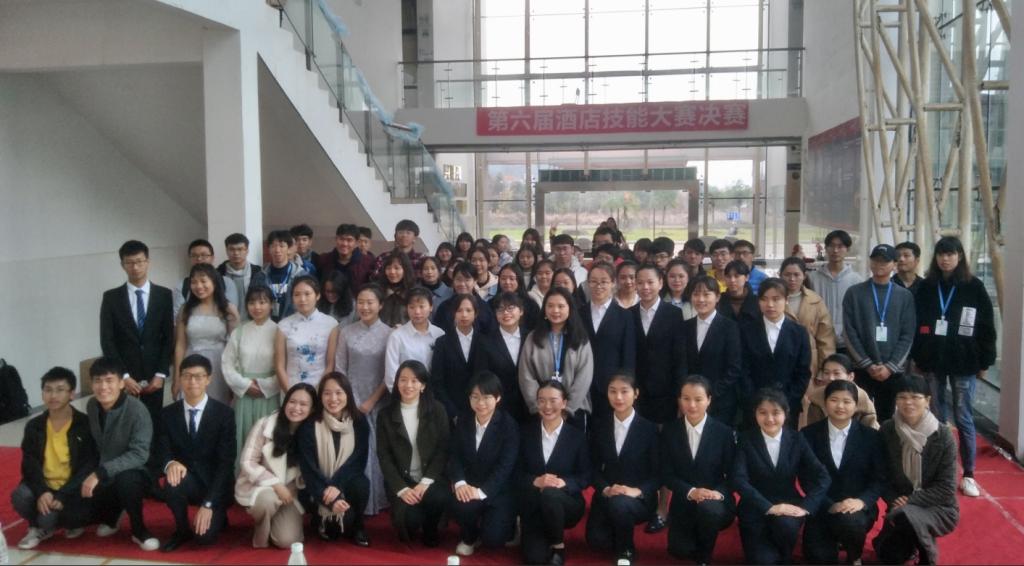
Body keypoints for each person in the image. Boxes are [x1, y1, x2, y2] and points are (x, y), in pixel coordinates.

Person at [911, 236, 996, 498]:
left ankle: (969, 474)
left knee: (964, 416)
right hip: (933, 361)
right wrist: (918, 357)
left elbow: (987, 326)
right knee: (937, 417)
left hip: (964, 362)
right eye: (941, 254)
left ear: (960, 256)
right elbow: (917, 323)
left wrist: (986, 360)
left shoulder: (974, 286)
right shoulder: (927, 287)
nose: (945, 259)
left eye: (950, 254)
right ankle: (939, 472)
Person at [732, 389, 830, 564]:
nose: (769, 419)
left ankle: (785, 555)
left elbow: (822, 476)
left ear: (786, 413)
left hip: (788, 506)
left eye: (776, 412)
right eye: (763, 412)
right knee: (763, 561)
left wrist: (806, 507)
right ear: (755, 414)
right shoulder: (745, 440)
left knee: (786, 528)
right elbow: (739, 480)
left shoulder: (797, 439)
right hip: (755, 508)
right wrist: (769, 507)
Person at [873, 375, 959, 564]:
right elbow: (881, 476)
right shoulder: (888, 430)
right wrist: (895, 500)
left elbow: (946, 488)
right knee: (888, 555)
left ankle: (926, 554)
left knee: (906, 517)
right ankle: (911, 541)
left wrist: (910, 500)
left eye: (915, 397)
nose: (908, 402)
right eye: (902, 397)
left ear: (927, 400)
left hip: (938, 507)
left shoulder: (943, 436)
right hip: (898, 504)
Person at [155, 354, 236, 551]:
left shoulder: (224, 414)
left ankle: (218, 513)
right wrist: (169, 464)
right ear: (180, 378)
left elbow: (226, 464)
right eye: (187, 376)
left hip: (215, 484)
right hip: (187, 481)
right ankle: (181, 529)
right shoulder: (167, 414)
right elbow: (161, 449)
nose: (192, 382)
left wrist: (208, 503)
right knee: (172, 479)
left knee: (204, 539)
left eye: (199, 376)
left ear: (208, 379)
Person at [801, 380, 886, 564]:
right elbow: (806, 478)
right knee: (818, 558)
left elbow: (879, 478)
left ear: (856, 405)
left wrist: (862, 501)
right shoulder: (808, 434)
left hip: (856, 508)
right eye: (834, 400)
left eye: (847, 401)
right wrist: (828, 504)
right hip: (821, 506)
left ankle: (854, 556)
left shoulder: (871, 437)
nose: (840, 406)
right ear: (825, 403)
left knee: (850, 523)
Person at [13, 367, 97, 550]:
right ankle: (38, 527)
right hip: (45, 486)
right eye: (48, 390)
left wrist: (64, 494)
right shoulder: (34, 426)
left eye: (60, 390)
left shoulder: (84, 423)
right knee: (20, 496)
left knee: (70, 517)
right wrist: (42, 491)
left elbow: (88, 465)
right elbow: (29, 463)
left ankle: (56, 522)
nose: (53, 395)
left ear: (71, 394)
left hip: (71, 488)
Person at [82, 357, 160, 551]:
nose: (103, 387)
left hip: (138, 471)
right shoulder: (92, 405)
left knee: (127, 480)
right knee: (79, 513)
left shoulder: (137, 410)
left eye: (109, 380)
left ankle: (139, 530)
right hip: (106, 469)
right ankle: (113, 514)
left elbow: (139, 455)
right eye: (98, 381)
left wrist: (100, 473)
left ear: (121, 383)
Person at [99, 239, 175, 430]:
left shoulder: (164, 295)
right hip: (124, 376)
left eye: (140, 261)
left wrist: (161, 374)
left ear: (148, 262)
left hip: (154, 376)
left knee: (153, 424)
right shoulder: (111, 298)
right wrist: (123, 376)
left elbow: (168, 337)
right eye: (130, 262)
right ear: (122, 265)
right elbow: (107, 340)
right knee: (124, 425)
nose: (135, 267)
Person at [661, 376, 736, 564]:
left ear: (709, 400)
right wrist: (691, 491)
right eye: (686, 399)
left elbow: (733, 474)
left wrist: (716, 494)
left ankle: (705, 556)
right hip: (684, 499)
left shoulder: (724, 433)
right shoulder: (670, 431)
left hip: (715, 500)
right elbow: (666, 474)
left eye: (698, 399)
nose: (692, 405)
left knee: (708, 511)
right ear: (679, 400)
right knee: (679, 550)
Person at [586, 374, 659, 563]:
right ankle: (617, 527)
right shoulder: (599, 426)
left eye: (624, 391)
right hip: (607, 494)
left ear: (636, 394)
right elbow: (591, 467)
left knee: (621, 505)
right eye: (613, 391)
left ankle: (626, 550)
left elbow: (659, 473)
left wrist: (637, 491)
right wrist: (605, 489)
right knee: (596, 542)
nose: (618, 397)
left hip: (638, 498)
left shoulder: (650, 429)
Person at [377, 361, 451, 546]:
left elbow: (443, 450)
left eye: (414, 380)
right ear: (396, 383)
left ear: (423, 385)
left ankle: (431, 527)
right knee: (410, 523)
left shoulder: (437, 410)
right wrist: (402, 489)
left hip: (430, 478)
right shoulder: (385, 415)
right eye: (403, 380)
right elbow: (384, 457)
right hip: (403, 481)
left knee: (439, 497)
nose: (408, 385)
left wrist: (425, 482)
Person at [235, 383, 317, 549]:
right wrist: (276, 484)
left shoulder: (313, 433)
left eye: (303, 404)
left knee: (287, 541)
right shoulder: (265, 424)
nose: (296, 408)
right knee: (267, 500)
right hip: (261, 487)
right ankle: (261, 533)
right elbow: (247, 461)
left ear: (312, 409)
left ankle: (277, 522)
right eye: (292, 402)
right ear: (285, 402)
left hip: (290, 495)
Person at [334, 284, 393, 516]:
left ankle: (377, 499)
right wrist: (348, 400)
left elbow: (389, 374)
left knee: (375, 449)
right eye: (361, 302)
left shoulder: (390, 334)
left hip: (378, 398)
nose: (365, 307)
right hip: (349, 397)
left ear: (380, 305)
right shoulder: (346, 332)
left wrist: (371, 401)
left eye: (370, 302)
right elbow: (340, 368)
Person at [519, 380, 591, 565]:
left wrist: (564, 483)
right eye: (542, 400)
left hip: (567, 504)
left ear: (564, 403)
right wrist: (535, 481)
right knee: (534, 559)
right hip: (534, 506)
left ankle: (558, 547)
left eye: (553, 400)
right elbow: (515, 472)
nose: (547, 406)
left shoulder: (577, 437)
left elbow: (586, 475)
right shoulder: (525, 433)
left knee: (551, 494)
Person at [449, 372, 521, 556]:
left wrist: (482, 492)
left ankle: (512, 525)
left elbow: (505, 467)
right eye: (475, 397)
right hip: (470, 484)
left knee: (493, 540)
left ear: (498, 398)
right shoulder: (463, 420)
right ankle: (470, 537)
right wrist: (460, 483)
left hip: (499, 490)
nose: (480, 403)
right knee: (459, 503)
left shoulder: (508, 426)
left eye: (486, 397)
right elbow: (454, 455)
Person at [843, 244, 916, 422]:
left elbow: (907, 334)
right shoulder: (854, 293)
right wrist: (867, 364)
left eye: (885, 261)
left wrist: (890, 367)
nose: (879, 265)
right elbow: (849, 332)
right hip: (862, 368)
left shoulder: (904, 296)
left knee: (887, 418)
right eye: (875, 260)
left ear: (894, 265)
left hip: (892, 371)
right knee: (859, 415)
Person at [297, 372, 371, 545]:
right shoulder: (309, 425)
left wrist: (336, 485)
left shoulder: (359, 421)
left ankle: (359, 526)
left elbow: (358, 461)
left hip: (344, 483)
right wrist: (331, 500)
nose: (333, 399)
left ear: (348, 394)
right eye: (327, 393)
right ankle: (320, 518)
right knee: (334, 532)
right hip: (317, 487)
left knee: (361, 484)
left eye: (339, 393)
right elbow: (309, 470)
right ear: (320, 396)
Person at [739, 278, 812, 426]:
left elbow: (803, 372)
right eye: (764, 299)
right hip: (754, 406)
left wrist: (787, 400)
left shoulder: (799, 333)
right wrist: (755, 400)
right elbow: (742, 369)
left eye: (776, 299)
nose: (770, 304)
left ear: (786, 300)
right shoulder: (746, 330)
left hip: (788, 406)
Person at [519, 287, 595, 427]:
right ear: (544, 309)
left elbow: (584, 376)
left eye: (561, 306)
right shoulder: (533, 337)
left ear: (570, 309)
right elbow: (526, 375)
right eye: (550, 306)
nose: (555, 310)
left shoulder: (580, 338)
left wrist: (568, 408)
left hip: (574, 410)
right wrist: (539, 406)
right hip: (542, 411)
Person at [223, 285, 282, 460]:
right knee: (243, 438)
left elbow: (285, 366)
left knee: (267, 440)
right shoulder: (239, 332)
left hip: (269, 396)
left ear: (271, 305)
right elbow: (227, 363)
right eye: (252, 302)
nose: (257, 307)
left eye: (262, 302)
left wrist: (265, 386)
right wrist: (246, 385)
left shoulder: (280, 331)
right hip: (244, 395)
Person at [173, 263, 239, 404]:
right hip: (191, 361)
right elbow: (180, 345)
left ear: (214, 282)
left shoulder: (228, 309)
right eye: (194, 282)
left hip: (219, 365)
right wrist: (177, 378)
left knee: (218, 406)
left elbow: (235, 347)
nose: (199, 286)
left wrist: (234, 379)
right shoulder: (185, 310)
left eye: (203, 281)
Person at [683, 275, 743, 425]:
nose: (700, 299)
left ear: (717, 297)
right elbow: (681, 363)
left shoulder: (730, 327)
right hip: (690, 401)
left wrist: (711, 393)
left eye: (706, 294)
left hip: (720, 401)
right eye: (696, 294)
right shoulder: (685, 327)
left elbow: (734, 367)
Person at [581, 262, 637, 419]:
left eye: (604, 281)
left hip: (612, 386)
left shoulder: (625, 316)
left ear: (613, 283)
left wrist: (625, 387)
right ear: (587, 283)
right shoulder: (578, 314)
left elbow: (628, 355)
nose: (598, 286)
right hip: (582, 385)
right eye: (593, 281)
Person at [632, 265, 687, 425]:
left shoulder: (674, 314)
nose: (645, 287)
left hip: (666, 391)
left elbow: (680, 358)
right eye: (640, 283)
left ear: (661, 283)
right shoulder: (628, 314)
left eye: (650, 282)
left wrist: (680, 393)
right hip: (636, 391)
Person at [275, 275, 339, 390]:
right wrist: (290, 393)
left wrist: (319, 391)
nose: (302, 299)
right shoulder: (283, 325)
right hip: (290, 387)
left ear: (317, 295)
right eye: (297, 295)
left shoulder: (331, 324)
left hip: (320, 388)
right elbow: (279, 365)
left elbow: (331, 364)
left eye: (307, 294)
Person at [808, 230, 865, 354]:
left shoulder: (857, 280)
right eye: (831, 246)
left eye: (840, 246)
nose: (835, 250)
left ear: (847, 249)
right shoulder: (813, 279)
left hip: (848, 343)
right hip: (820, 341)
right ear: (826, 248)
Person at [431, 294, 485, 422]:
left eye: (468, 310)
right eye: (459, 310)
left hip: (481, 408)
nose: (464, 315)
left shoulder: (485, 341)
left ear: (476, 313)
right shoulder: (442, 342)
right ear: (453, 313)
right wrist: (452, 412)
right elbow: (437, 380)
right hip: (450, 409)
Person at [476, 292, 529, 422]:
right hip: (500, 406)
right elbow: (483, 375)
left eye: (510, 308)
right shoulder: (485, 341)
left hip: (529, 403)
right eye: (500, 309)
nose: (505, 313)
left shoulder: (531, 337)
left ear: (521, 311)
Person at [780, 256, 836, 377]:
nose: (792, 279)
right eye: (787, 275)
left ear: (804, 276)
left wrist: (824, 368)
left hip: (810, 361)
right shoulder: (773, 299)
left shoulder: (815, 301)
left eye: (796, 275)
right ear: (780, 275)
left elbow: (825, 339)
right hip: (781, 359)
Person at [385, 286, 446, 391]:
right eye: (412, 307)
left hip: (434, 393)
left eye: (422, 306)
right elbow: (391, 374)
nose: (417, 312)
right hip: (406, 393)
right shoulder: (397, 336)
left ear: (431, 307)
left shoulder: (439, 334)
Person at [800, 353, 879, 430]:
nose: (831, 378)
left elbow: (870, 430)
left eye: (836, 373)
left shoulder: (862, 398)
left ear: (850, 376)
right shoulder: (816, 398)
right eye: (826, 373)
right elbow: (813, 429)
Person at [432, 263, 496, 336]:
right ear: (453, 280)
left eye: (467, 280)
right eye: (458, 280)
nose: (462, 284)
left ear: (475, 281)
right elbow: (437, 332)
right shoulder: (444, 307)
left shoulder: (484, 307)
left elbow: (491, 333)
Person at [217, 233, 265, 320]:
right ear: (226, 250)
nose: (236, 253)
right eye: (232, 249)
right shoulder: (218, 274)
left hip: (253, 322)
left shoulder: (258, 273)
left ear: (247, 250)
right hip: (226, 322)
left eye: (240, 249)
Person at [264, 230, 308, 322]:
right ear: (269, 249)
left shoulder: (301, 276)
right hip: (266, 325)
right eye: (273, 246)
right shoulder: (261, 276)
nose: (277, 250)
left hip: (294, 324)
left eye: (281, 246)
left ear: (289, 249)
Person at [318, 224, 375, 291]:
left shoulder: (368, 263)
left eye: (349, 240)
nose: (344, 244)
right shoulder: (324, 260)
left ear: (356, 243)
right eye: (341, 239)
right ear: (336, 239)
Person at [491, 263, 541, 333]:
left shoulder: (531, 305)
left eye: (511, 279)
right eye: (503, 278)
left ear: (519, 280)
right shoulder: (491, 303)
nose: (507, 282)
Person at [175, 239, 217, 314]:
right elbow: (177, 314)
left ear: (212, 258)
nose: (199, 259)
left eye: (204, 255)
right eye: (194, 256)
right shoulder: (182, 285)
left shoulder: (226, 282)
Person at [378, 251, 416, 327]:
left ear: (405, 269)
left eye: (397, 268)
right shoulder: (378, 291)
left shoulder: (414, 293)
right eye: (388, 268)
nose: (392, 272)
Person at [717, 259, 760, 323]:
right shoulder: (718, 301)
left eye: (737, 276)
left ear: (747, 277)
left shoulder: (757, 302)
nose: (732, 280)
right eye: (728, 276)